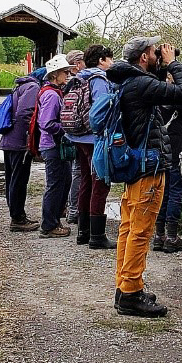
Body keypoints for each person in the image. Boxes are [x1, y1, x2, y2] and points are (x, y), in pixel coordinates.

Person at [105, 36, 182, 317]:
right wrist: (174, 64)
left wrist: (162, 65)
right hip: (148, 168)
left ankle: (126, 285)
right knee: (141, 231)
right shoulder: (141, 84)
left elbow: (157, 88)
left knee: (129, 228)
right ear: (144, 57)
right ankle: (131, 293)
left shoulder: (128, 81)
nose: (160, 54)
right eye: (155, 52)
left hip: (135, 167)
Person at [70, 45, 116, 249]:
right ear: (101, 61)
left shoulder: (79, 77)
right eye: (109, 59)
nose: (112, 63)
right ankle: (97, 236)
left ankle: (83, 231)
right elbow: (100, 110)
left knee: (86, 182)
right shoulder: (98, 79)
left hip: (78, 136)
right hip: (94, 138)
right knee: (100, 183)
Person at [153, 71, 182, 254]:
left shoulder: (157, 92)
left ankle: (158, 235)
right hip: (178, 147)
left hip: (161, 148)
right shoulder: (180, 96)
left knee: (163, 191)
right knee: (176, 192)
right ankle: (172, 237)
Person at [0, 66, 46, 232]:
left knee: (12, 179)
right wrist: (30, 137)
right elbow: (25, 113)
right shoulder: (34, 87)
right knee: (19, 180)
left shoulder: (22, 85)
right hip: (20, 142)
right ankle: (18, 219)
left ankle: (17, 215)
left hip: (9, 139)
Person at [36, 54, 76, 237]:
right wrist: (67, 127)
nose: (67, 75)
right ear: (54, 74)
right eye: (64, 72)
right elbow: (46, 123)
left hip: (51, 145)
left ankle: (54, 221)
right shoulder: (52, 95)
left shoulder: (50, 91)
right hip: (52, 146)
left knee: (64, 181)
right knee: (55, 185)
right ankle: (49, 225)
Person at [64, 50, 87, 226]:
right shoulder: (82, 81)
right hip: (82, 132)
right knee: (79, 171)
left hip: (70, 132)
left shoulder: (66, 83)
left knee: (75, 171)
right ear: (78, 64)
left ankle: (71, 209)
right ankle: (75, 210)